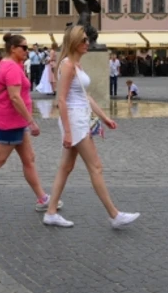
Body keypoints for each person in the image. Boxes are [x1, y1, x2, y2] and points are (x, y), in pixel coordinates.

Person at [42, 25, 139, 229]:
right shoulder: (68, 65)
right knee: (95, 167)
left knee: (66, 167)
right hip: (75, 120)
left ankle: (51, 212)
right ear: (75, 43)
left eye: (88, 40)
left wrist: (104, 117)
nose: (88, 43)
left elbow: (85, 96)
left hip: (80, 118)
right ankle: (114, 215)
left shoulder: (76, 65)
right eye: (84, 40)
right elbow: (61, 99)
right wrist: (68, 131)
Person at [0, 33, 60, 217]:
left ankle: (42, 198)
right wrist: (31, 122)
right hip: (10, 121)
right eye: (24, 47)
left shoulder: (9, 65)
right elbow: (15, 98)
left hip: (16, 121)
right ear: (13, 48)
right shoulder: (12, 68)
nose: (27, 50)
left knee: (29, 159)